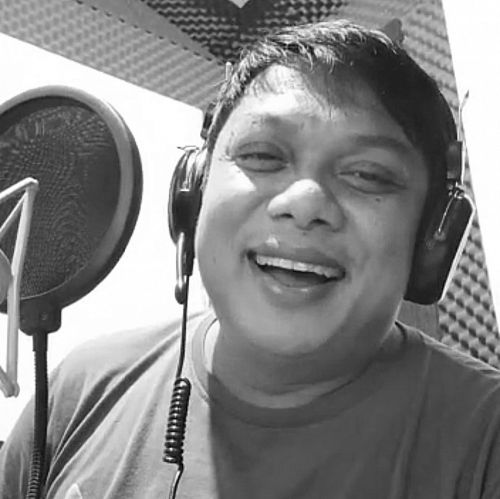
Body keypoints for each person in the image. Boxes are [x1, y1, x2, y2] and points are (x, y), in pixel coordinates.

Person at [1, 19, 500, 499]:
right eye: (262, 156)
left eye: (368, 174)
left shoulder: (487, 439)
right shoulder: (80, 387)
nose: (303, 202)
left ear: (432, 237)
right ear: (194, 191)